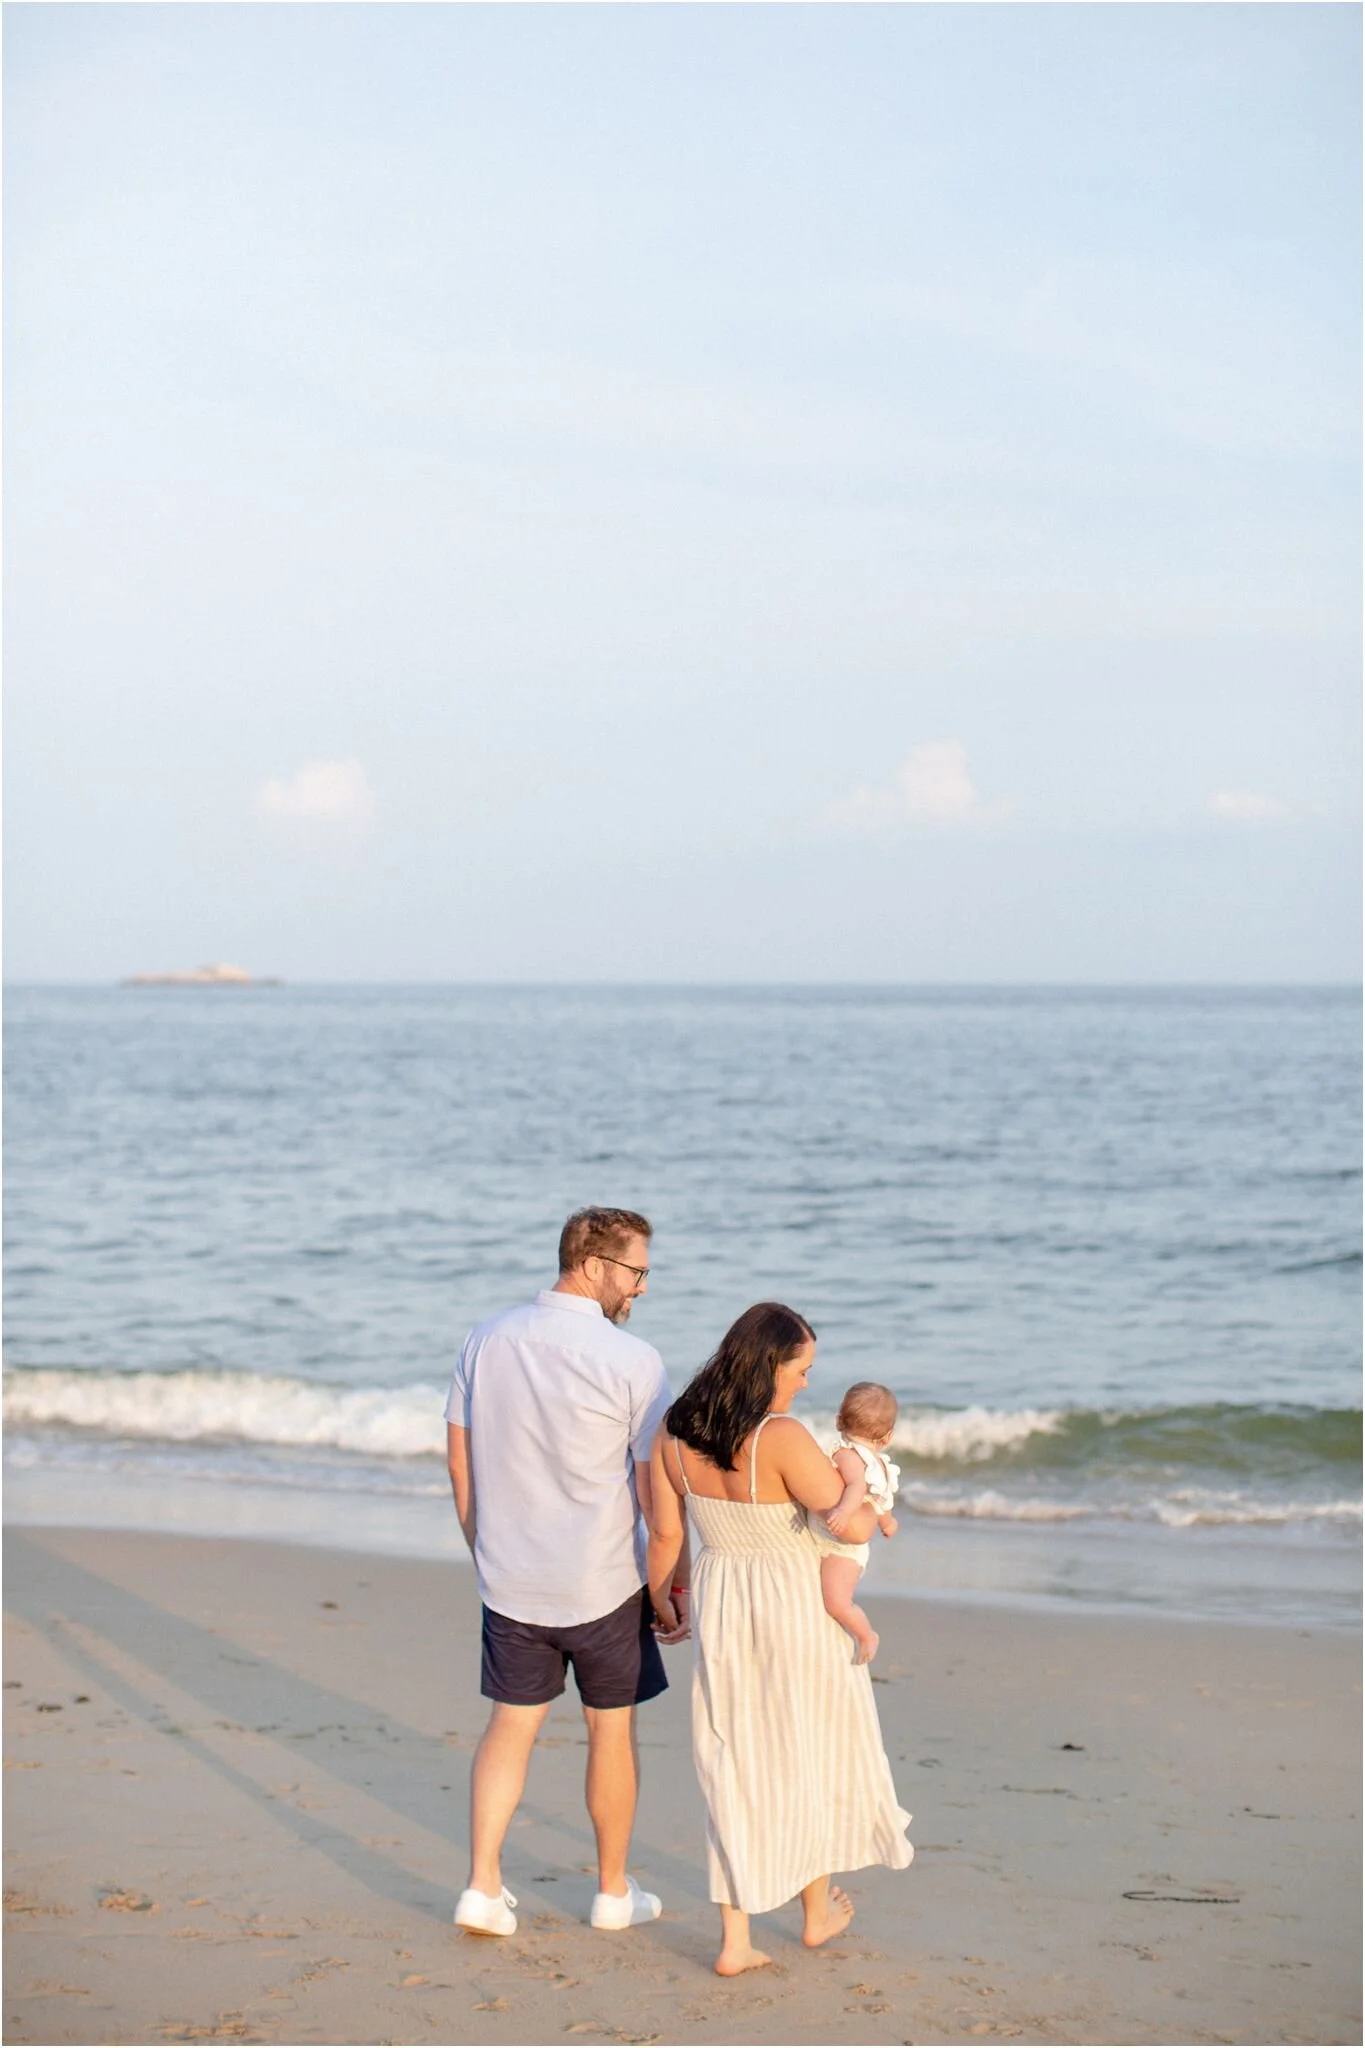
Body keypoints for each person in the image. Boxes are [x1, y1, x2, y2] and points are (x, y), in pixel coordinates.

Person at [646, 1305, 913, 1978]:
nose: (803, 1386)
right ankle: (814, 1915)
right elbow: (845, 1529)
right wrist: (872, 1498)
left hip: (724, 1601)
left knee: (732, 1757)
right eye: (800, 1370)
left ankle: (735, 1940)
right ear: (769, 1364)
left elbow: (668, 1536)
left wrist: (664, 1600)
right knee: (812, 1751)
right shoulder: (783, 1437)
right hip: (795, 1606)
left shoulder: (674, 1433)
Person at [445, 1206, 687, 1939]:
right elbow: (656, 1493)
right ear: (593, 1264)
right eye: (636, 1271)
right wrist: (668, 1586)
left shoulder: (485, 1339)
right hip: (602, 1581)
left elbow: (460, 1458)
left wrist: (482, 1548)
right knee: (609, 1733)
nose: (641, 1288)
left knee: (508, 1729)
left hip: (511, 1577)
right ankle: (613, 1892)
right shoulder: (633, 1361)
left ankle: (482, 1889)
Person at [808, 1382, 901, 1665]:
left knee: (836, 1602)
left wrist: (845, 1513)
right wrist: (888, 1524)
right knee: (826, 1598)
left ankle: (865, 1634)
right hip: (845, 1546)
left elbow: (857, 1487)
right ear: (888, 1437)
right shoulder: (880, 1463)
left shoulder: (846, 1454)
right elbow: (880, 1502)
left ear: (838, 1421)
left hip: (840, 1546)